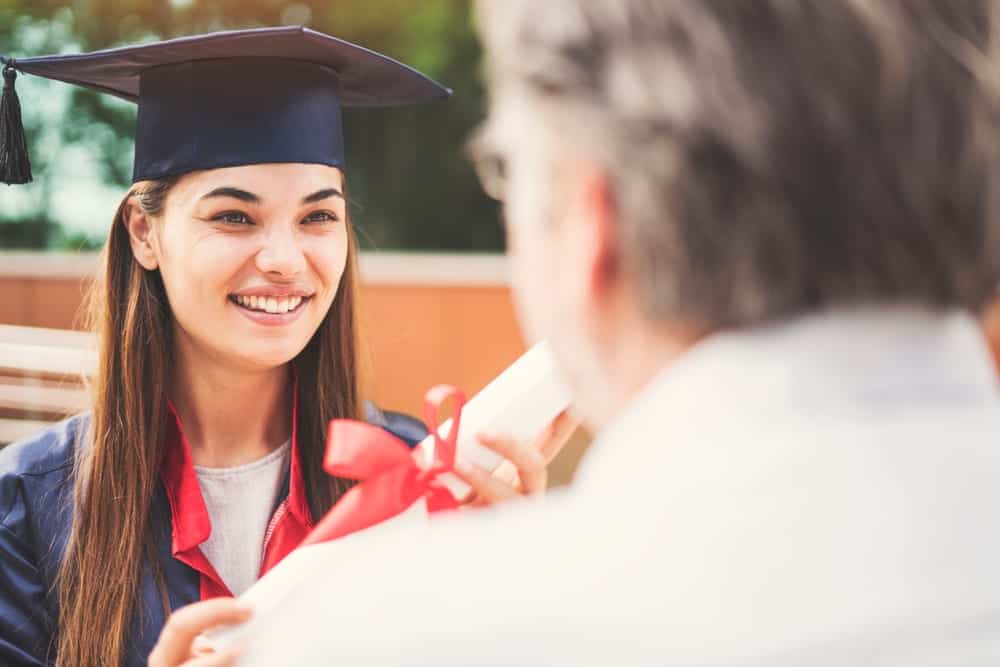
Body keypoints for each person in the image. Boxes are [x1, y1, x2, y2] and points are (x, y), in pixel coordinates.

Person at [163, 1, 1000, 665]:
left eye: (509, 178)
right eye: (235, 215)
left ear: (594, 217)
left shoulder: (381, 637)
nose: (283, 259)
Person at [0, 27, 576, 667]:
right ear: (144, 233)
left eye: (317, 217)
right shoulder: (22, 516)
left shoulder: (417, 485)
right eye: (233, 217)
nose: (283, 260)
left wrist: (505, 608)